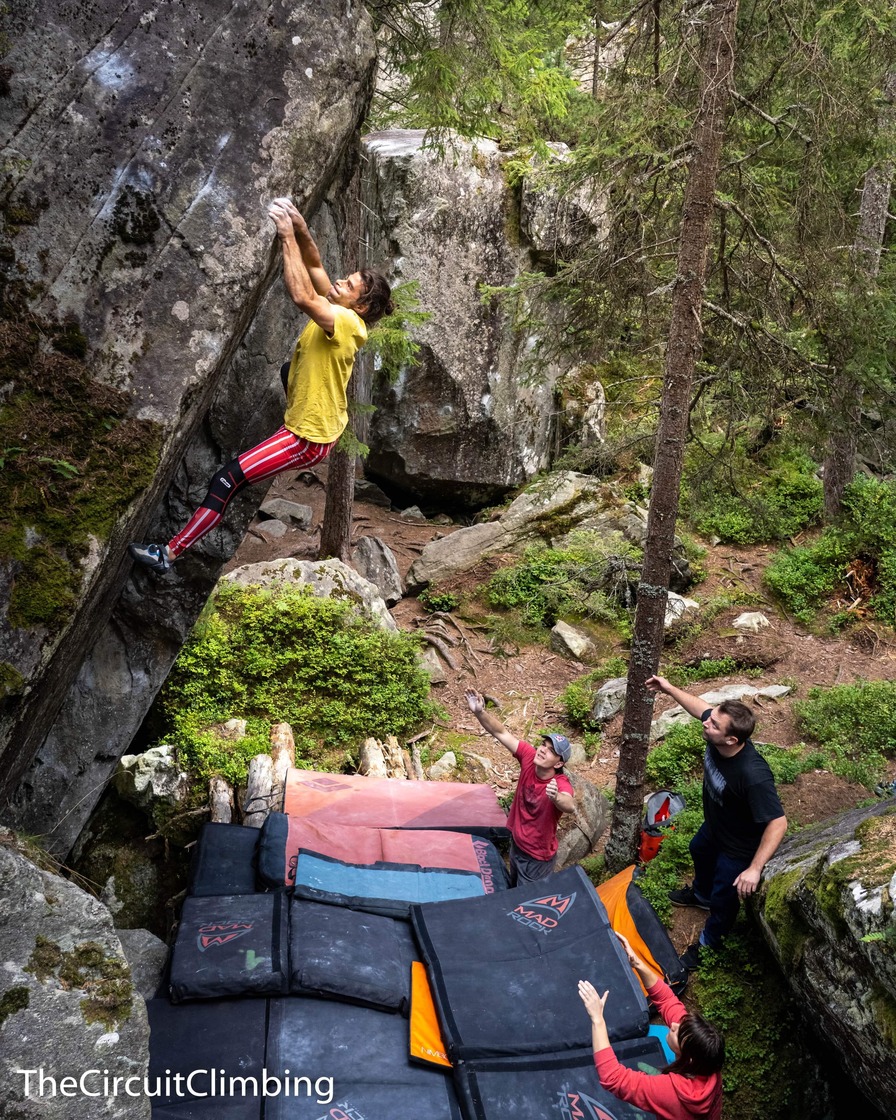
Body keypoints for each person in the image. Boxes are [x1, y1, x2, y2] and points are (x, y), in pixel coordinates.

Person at [129, 198, 393, 573]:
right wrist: (301, 228)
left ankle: (168, 554)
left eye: (348, 284)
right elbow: (315, 266)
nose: (339, 281)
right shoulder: (340, 309)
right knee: (289, 369)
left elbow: (301, 295)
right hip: (318, 423)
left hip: (307, 436)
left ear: (361, 307)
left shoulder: (347, 323)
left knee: (228, 478)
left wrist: (286, 237)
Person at [645, 675, 787, 970]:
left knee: (726, 897)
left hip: (739, 847)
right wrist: (670, 688)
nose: (706, 723)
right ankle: (700, 895)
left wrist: (754, 869)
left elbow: (778, 822)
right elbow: (701, 709)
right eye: (712, 719)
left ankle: (710, 942)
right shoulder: (718, 729)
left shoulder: (753, 775)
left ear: (731, 739)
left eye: (714, 725)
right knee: (698, 849)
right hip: (716, 826)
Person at [578, 932, 724, 1120]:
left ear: (689, 1060)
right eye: (682, 1024)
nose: (674, 1025)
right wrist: (637, 963)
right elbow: (667, 1000)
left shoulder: (671, 1092)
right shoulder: (707, 1058)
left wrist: (597, 1019)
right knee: (658, 1033)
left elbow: (612, 1078)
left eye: (679, 1033)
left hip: (677, 1107)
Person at [464, 688, 576, 885]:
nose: (542, 751)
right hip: (517, 845)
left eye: (551, 751)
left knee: (523, 904)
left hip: (537, 859)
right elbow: (500, 732)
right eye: (543, 745)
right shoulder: (528, 756)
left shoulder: (559, 784)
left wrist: (556, 797)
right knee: (511, 888)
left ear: (559, 764)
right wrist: (480, 712)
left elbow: (570, 804)